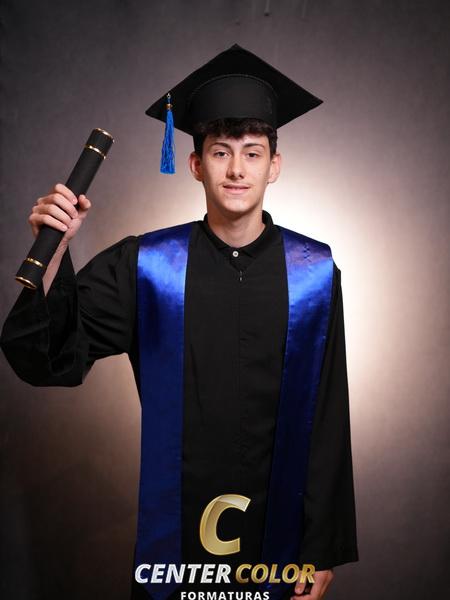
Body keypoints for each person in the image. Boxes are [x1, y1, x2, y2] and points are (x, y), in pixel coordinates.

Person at [0, 44, 358, 600]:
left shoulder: (313, 273)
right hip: (177, 547)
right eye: (220, 152)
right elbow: (47, 356)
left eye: (253, 153)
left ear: (274, 166)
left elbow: (329, 414)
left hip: (279, 543)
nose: (236, 169)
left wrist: (319, 548)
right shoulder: (148, 266)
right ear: (195, 165)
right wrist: (54, 253)